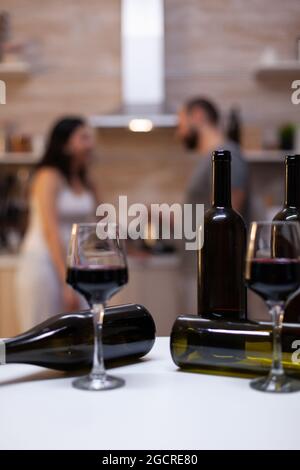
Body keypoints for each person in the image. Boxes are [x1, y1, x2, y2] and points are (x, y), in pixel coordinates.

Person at [16, 117, 98, 331]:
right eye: (84, 137)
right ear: (65, 144)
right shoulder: (47, 177)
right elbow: (50, 231)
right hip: (44, 265)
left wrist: (132, 248)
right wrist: (66, 282)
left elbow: (102, 223)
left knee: (77, 335)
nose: (91, 144)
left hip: (74, 267)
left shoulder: (85, 180)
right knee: (42, 332)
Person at [177, 97, 249, 314]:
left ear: (198, 116)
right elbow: (200, 216)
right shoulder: (208, 159)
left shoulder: (228, 155)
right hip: (199, 269)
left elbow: (226, 222)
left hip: (212, 274)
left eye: (180, 123)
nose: (178, 133)